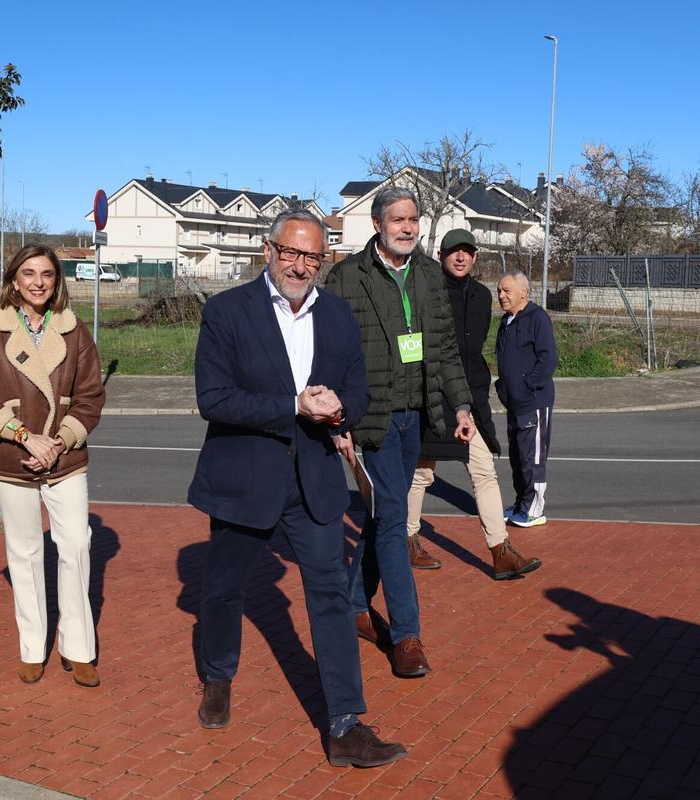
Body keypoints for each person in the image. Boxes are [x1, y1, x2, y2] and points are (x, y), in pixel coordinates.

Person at [189, 208, 406, 768]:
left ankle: (344, 724)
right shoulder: (226, 311)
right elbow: (213, 399)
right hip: (244, 478)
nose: (301, 264)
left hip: (313, 480)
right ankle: (217, 675)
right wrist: (292, 405)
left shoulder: (336, 315)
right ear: (269, 250)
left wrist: (340, 410)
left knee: (330, 596)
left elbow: (358, 388)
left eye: (313, 256)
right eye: (292, 252)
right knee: (224, 590)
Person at [324, 186, 473, 679]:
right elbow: (329, 354)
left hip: (416, 416)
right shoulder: (348, 278)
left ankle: (352, 601)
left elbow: (447, 349)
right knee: (392, 520)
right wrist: (338, 421)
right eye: (398, 220)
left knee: (380, 514)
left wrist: (462, 404)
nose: (408, 228)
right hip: (373, 418)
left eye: (413, 219)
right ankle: (407, 635)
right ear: (377, 224)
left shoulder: (429, 275)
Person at [0, 244, 105, 687]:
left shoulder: (75, 331)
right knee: (24, 552)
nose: (38, 282)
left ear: (57, 281)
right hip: (12, 455)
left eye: (47, 274)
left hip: (65, 456)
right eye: (28, 273)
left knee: (76, 545)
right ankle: (32, 645)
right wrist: (23, 435)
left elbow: (91, 397)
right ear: (13, 280)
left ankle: (77, 647)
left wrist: (58, 441)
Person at [405, 230, 541, 580]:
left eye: (468, 251)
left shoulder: (482, 296)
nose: (461, 257)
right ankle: (407, 541)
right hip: (433, 394)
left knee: (483, 470)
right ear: (441, 254)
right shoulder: (424, 291)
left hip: (471, 398)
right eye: (454, 252)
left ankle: (501, 551)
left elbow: (477, 345)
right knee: (422, 473)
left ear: (475, 257)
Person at [495, 269, 558, 527]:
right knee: (517, 458)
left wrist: (526, 386)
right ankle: (522, 503)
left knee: (533, 458)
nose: (500, 295)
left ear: (523, 293)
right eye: (499, 290)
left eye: (506, 290)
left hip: (534, 402)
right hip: (514, 404)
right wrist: (503, 388)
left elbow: (548, 360)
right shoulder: (506, 322)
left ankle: (534, 509)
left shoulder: (537, 318)